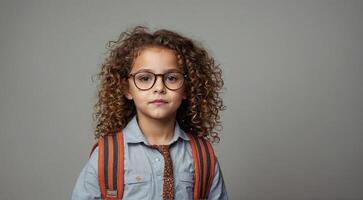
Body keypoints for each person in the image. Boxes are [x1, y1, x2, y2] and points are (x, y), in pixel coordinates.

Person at [71, 25, 228, 200]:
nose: (159, 88)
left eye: (172, 78)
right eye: (145, 78)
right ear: (126, 89)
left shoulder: (203, 156)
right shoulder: (107, 156)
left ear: (187, 89)